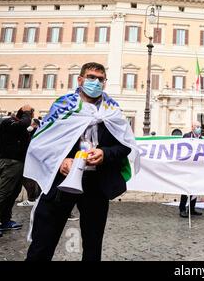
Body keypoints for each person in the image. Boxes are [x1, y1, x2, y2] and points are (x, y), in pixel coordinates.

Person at [25, 62, 140, 260]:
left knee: (93, 246)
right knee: (43, 243)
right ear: (80, 80)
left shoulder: (112, 110)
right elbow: (42, 142)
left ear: (105, 83)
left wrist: (104, 153)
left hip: (96, 186)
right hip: (60, 183)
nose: (95, 82)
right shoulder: (62, 106)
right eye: (91, 77)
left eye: (100, 79)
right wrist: (60, 161)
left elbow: (125, 146)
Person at [0, 105, 33, 238]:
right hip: (10, 162)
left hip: (18, 163)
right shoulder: (8, 122)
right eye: (29, 114)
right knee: (3, 192)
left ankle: (5, 220)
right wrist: (26, 112)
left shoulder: (18, 126)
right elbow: (24, 123)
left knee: (13, 193)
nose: (30, 117)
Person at [179, 121, 203, 218]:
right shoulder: (186, 136)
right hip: (187, 167)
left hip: (196, 167)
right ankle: (182, 209)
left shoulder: (201, 138)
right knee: (185, 188)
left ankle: (192, 209)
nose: (199, 128)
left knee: (195, 188)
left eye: (200, 127)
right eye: (197, 126)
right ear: (192, 127)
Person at [17, 119, 42, 207]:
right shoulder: (33, 131)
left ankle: (33, 198)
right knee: (30, 179)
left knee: (29, 178)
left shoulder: (37, 132)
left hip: (33, 158)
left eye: (33, 124)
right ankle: (34, 198)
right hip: (31, 158)